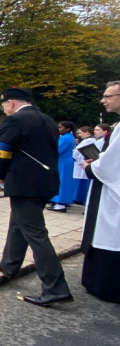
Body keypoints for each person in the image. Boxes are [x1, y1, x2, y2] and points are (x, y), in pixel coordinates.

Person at [0, 87, 73, 307]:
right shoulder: (47, 120)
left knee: (36, 234)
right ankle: (10, 264)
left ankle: (55, 287)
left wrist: (0, 172)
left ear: (12, 102)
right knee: (19, 223)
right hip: (46, 182)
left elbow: (3, 150)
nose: (4, 109)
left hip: (25, 184)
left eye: (4, 105)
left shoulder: (15, 121)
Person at [80, 81, 120, 303]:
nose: (103, 100)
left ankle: (106, 286)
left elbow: (111, 164)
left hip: (114, 193)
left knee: (110, 233)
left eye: (108, 96)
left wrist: (91, 166)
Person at [47, 121, 76, 213]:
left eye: (61, 127)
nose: (58, 129)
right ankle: (58, 201)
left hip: (63, 162)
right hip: (64, 161)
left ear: (68, 129)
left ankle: (60, 203)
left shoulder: (66, 138)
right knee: (62, 181)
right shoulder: (67, 137)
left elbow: (57, 150)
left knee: (62, 182)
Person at [72, 126, 96, 205]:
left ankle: (79, 199)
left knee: (83, 183)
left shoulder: (88, 141)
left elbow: (78, 152)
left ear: (87, 132)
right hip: (84, 163)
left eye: (81, 132)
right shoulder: (91, 140)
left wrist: (79, 160)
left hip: (83, 163)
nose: (79, 134)